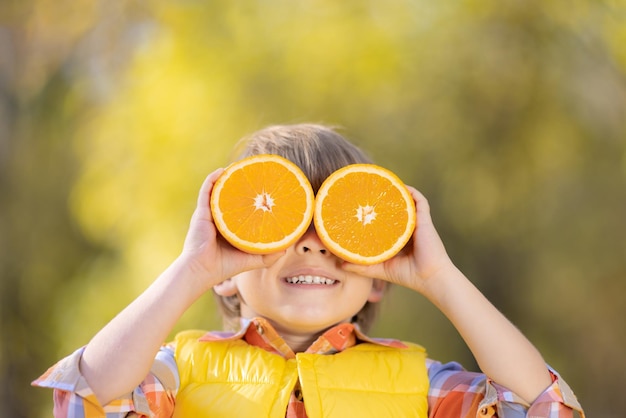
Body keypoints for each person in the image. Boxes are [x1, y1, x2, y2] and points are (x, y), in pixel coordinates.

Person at [33, 124, 585, 417]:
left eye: (342, 227)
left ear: (377, 275)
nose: (314, 246)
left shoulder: (423, 387)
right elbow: (89, 400)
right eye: (286, 223)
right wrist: (192, 267)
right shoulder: (178, 373)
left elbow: (537, 409)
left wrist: (439, 277)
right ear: (228, 264)